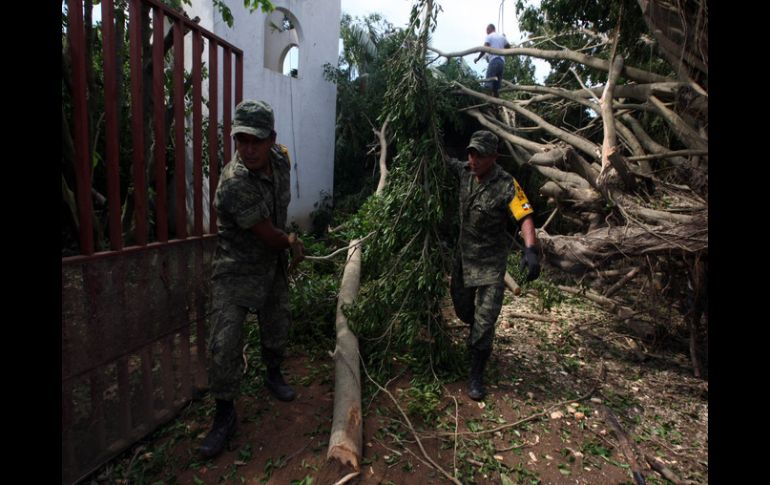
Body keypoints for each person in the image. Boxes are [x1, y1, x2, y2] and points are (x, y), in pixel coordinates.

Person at [199, 99, 305, 459]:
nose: (247, 149)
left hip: (270, 263)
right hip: (237, 268)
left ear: (272, 138)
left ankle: (273, 374)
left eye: (255, 140)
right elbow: (269, 235)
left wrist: (284, 244)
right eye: (241, 140)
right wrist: (290, 241)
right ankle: (224, 414)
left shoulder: (281, 159)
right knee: (225, 342)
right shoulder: (234, 182)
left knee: (277, 323)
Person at [445, 130, 540, 401]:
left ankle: (476, 373)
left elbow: (525, 216)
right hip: (464, 261)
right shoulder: (464, 171)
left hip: (490, 266)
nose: (473, 159)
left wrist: (530, 249)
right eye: (471, 153)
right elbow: (442, 160)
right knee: (464, 311)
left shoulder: (507, 183)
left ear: (493, 158)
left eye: (480, 155)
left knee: (485, 321)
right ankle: (477, 332)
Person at [474, 24, 511, 97]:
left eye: (487, 31)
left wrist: (478, 59)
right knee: (496, 88)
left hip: (494, 61)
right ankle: (496, 105)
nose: (486, 32)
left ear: (489, 29)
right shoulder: (502, 37)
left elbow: (483, 49)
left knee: (488, 84)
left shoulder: (489, 36)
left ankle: (487, 103)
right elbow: (509, 48)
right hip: (501, 63)